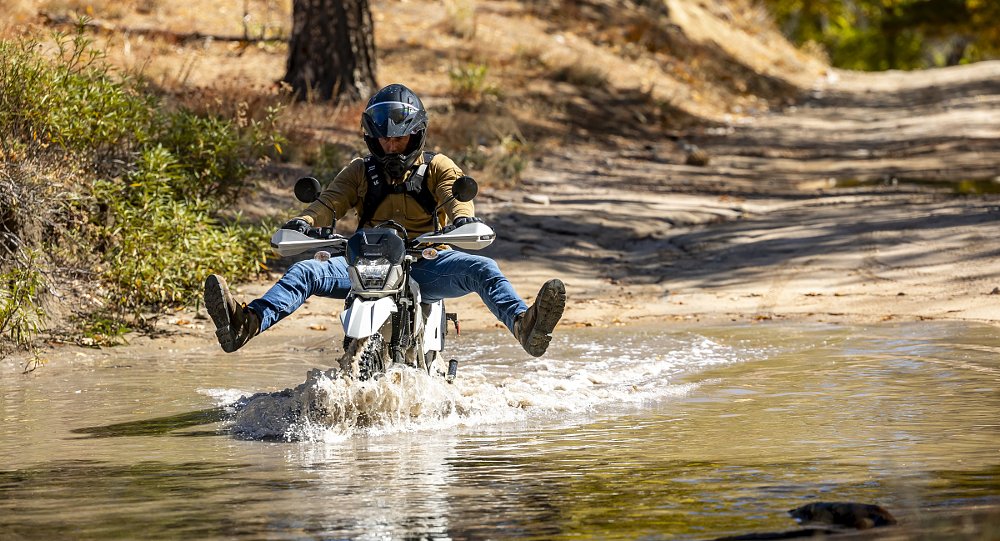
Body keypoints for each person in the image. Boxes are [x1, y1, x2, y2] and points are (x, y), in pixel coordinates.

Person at [204, 83, 566, 358]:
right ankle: (244, 324)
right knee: (304, 272)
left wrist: (460, 222)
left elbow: (457, 200)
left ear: (417, 134)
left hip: (426, 262)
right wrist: (303, 221)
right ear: (371, 139)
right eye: (384, 140)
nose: (392, 147)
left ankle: (525, 326)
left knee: (484, 268)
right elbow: (329, 203)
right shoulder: (359, 170)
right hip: (363, 263)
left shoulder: (438, 167)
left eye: (400, 138)